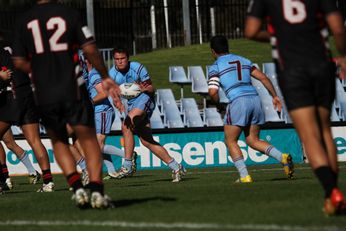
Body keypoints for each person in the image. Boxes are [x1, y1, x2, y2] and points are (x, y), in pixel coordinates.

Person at [12, 0, 120, 208]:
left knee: (59, 140)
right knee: (88, 139)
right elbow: (89, 48)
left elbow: (18, 61)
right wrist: (105, 75)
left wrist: (38, 72)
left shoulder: (23, 21)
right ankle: (97, 191)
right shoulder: (68, 13)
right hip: (73, 87)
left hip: (44, 93)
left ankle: (77, 187)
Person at [245, 0, 346, 215]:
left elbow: (251, 31)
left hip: (291, 69)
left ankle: (332, 191)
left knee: (309, 135)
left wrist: (276, 36)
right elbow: (338, 27)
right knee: (324, 130)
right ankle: (332, 197)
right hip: (321, 65)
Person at [207, 35, 294, 183]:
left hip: (238, 101)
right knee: (253, 140)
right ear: (228, 47)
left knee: (230, 141)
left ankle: (244, 176)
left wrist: (219, 105)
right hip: (255, 99)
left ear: (213, 52)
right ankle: (282, 157)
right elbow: (264, 78)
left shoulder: (216, 67)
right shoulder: (243, 60)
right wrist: (275, 96)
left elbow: (213, 92)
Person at [109, 47, 186, 182]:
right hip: (132, 105)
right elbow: (113, 92)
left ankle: (127, 165)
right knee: (146, 141)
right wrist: (117, 101)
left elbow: (151, 89)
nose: (120, 62)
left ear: (128, 58)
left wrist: (142, 88)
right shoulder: (112, 73)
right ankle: (176, 167)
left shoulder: (137, 67)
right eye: (117, 59)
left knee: (126, 125)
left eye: (122, 59)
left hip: (145, 99)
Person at [0, 32, 53, 192]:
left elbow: (5, 75)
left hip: (11, 97)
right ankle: (48, 182)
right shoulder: (21, 47)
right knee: (35, 140)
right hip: (28, 94)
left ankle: (2, 181)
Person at [77, 53, 137, 180]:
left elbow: (104, 93)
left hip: (103, 111)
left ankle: (129, 156)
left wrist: (90, 103)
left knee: (97, 146)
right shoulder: (89, 75)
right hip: (97, 112)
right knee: (98, 146)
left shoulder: (94, 74)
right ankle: (111, 171)